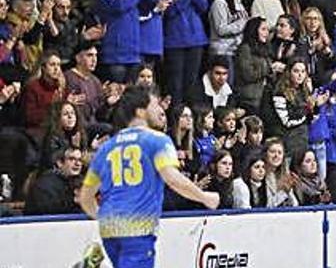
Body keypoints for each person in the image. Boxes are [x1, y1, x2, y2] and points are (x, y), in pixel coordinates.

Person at [78, 86, 219, 268]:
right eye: (154, 105)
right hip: (137, 227)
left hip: (108, 229)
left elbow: (85, 197)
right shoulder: (157, 140)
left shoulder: (107, 147)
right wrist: (205, 197)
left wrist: (100, 216)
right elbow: (173, 179)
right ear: (140, 112)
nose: (160, 109)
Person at [158, 0, 209, 104]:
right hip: (174, 40)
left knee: (191, 83)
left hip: (196, 40)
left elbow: (203, 6)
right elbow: (170, 11)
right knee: (175, 84)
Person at [92, 0, 144, 83]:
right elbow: (120, 6)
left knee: (132, 93)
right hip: (114, 56)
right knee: (116, 93)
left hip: (133, 54)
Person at [234, 18, 283, 115]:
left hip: (265, 96)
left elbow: (269, 74)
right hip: (250, 99)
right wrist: (270, 69)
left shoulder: (266, 48)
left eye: (267, 30)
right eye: (263, 29)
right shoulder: (245, 49)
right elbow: (248, 75)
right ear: (254, 30)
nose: (267, 33)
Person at [208, 0, 249, 82]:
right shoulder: (219, 2)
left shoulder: (240, 3)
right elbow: (220, 29)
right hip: (222, 53)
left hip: (236, 51)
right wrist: (242, 24)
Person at [25, 146, 83, 215]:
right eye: (71, 159)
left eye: (80, 160)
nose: (77, 164)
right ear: (60, 163)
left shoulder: (80, 182)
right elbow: (48, 210)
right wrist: (73, 201)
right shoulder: (45, 184)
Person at [39, 100, 87, 171]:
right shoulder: (52, 136)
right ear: (58, 118)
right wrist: (72, 148)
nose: (70, 116)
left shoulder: (78, 133)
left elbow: (82, 158)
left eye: (72, 113)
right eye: (65, 114)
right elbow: (51, 160)